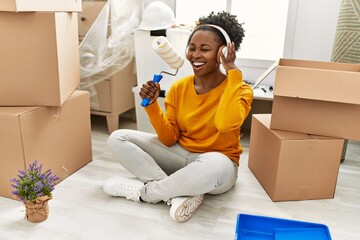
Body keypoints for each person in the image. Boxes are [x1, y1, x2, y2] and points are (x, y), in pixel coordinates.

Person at [103, 11, 253, 222]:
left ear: (223, 53)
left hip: (217, 166)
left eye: (204, 49)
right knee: (117, 138)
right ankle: (177, 195)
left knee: (216, 163)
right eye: (191, 48)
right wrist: (153, 106)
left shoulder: (241, 89)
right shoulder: (179, 87)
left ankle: (146, 193)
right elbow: (169, 139)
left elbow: (225, 125)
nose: (195, 55)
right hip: (179, 156)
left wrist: (233, 73)